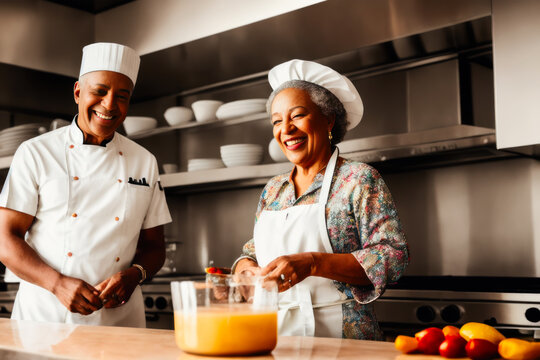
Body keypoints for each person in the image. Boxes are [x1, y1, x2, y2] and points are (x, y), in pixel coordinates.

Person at [233, 59, 409, 340]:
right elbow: (254, 251)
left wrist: (314, 263)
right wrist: (245, 268)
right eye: (277, 121)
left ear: (328, 119)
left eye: (297, 115)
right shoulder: (273, 189)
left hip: (343, 336)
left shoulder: (358, 179)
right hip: (275, 333)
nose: (286, 129)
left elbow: (393, 256)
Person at [0, 42, 172, 327]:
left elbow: (155, 246)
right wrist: (57, 284)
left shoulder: (145, 161)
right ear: (78, 92)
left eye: (122, 96)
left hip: (121, 320)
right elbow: (5, 239)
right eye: (100, 91)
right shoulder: (36, 153)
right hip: (46, 318)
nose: (109, 105)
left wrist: (135, 274)